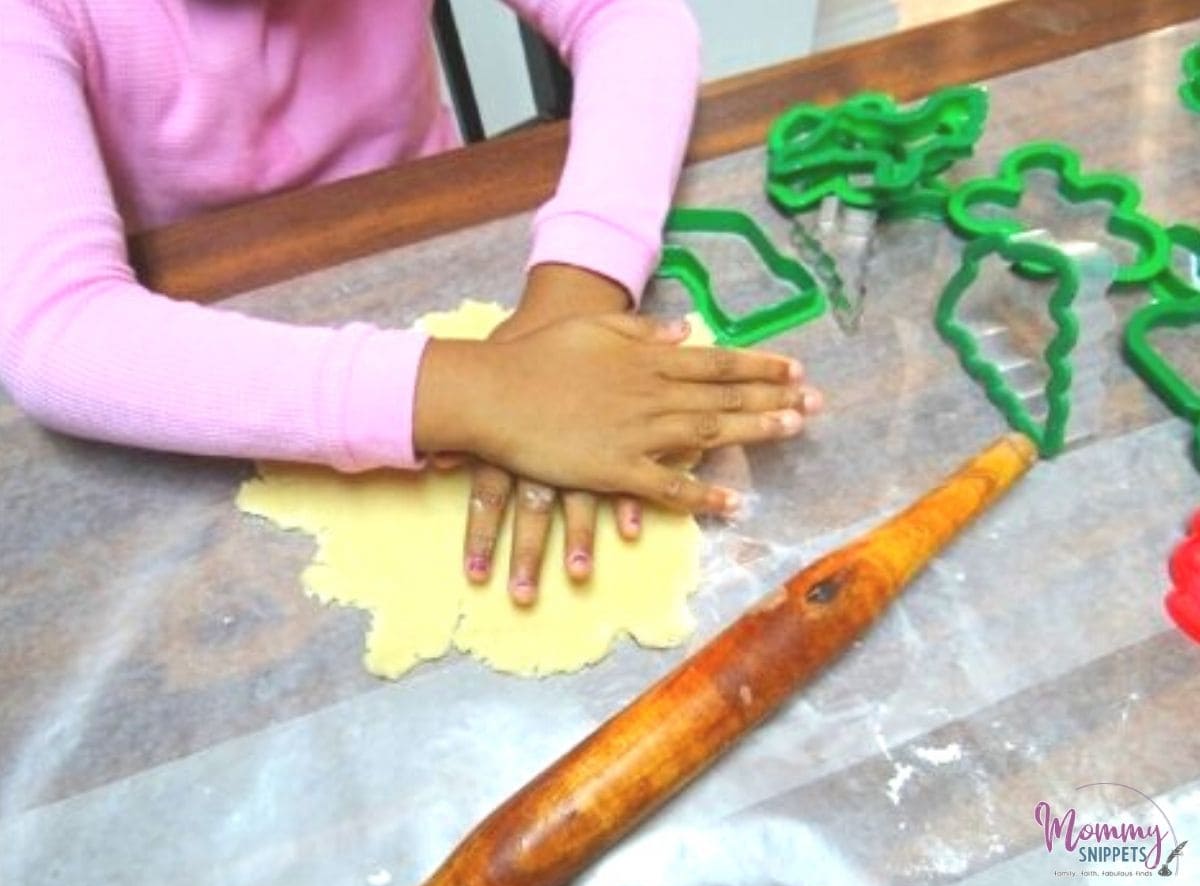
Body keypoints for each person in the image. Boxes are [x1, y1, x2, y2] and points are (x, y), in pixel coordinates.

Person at [0, 0, 822, 605]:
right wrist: (486, 392)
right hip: (201, 361)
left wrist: (575, 289)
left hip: (438, 253)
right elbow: (54, 329)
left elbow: (634, 19)